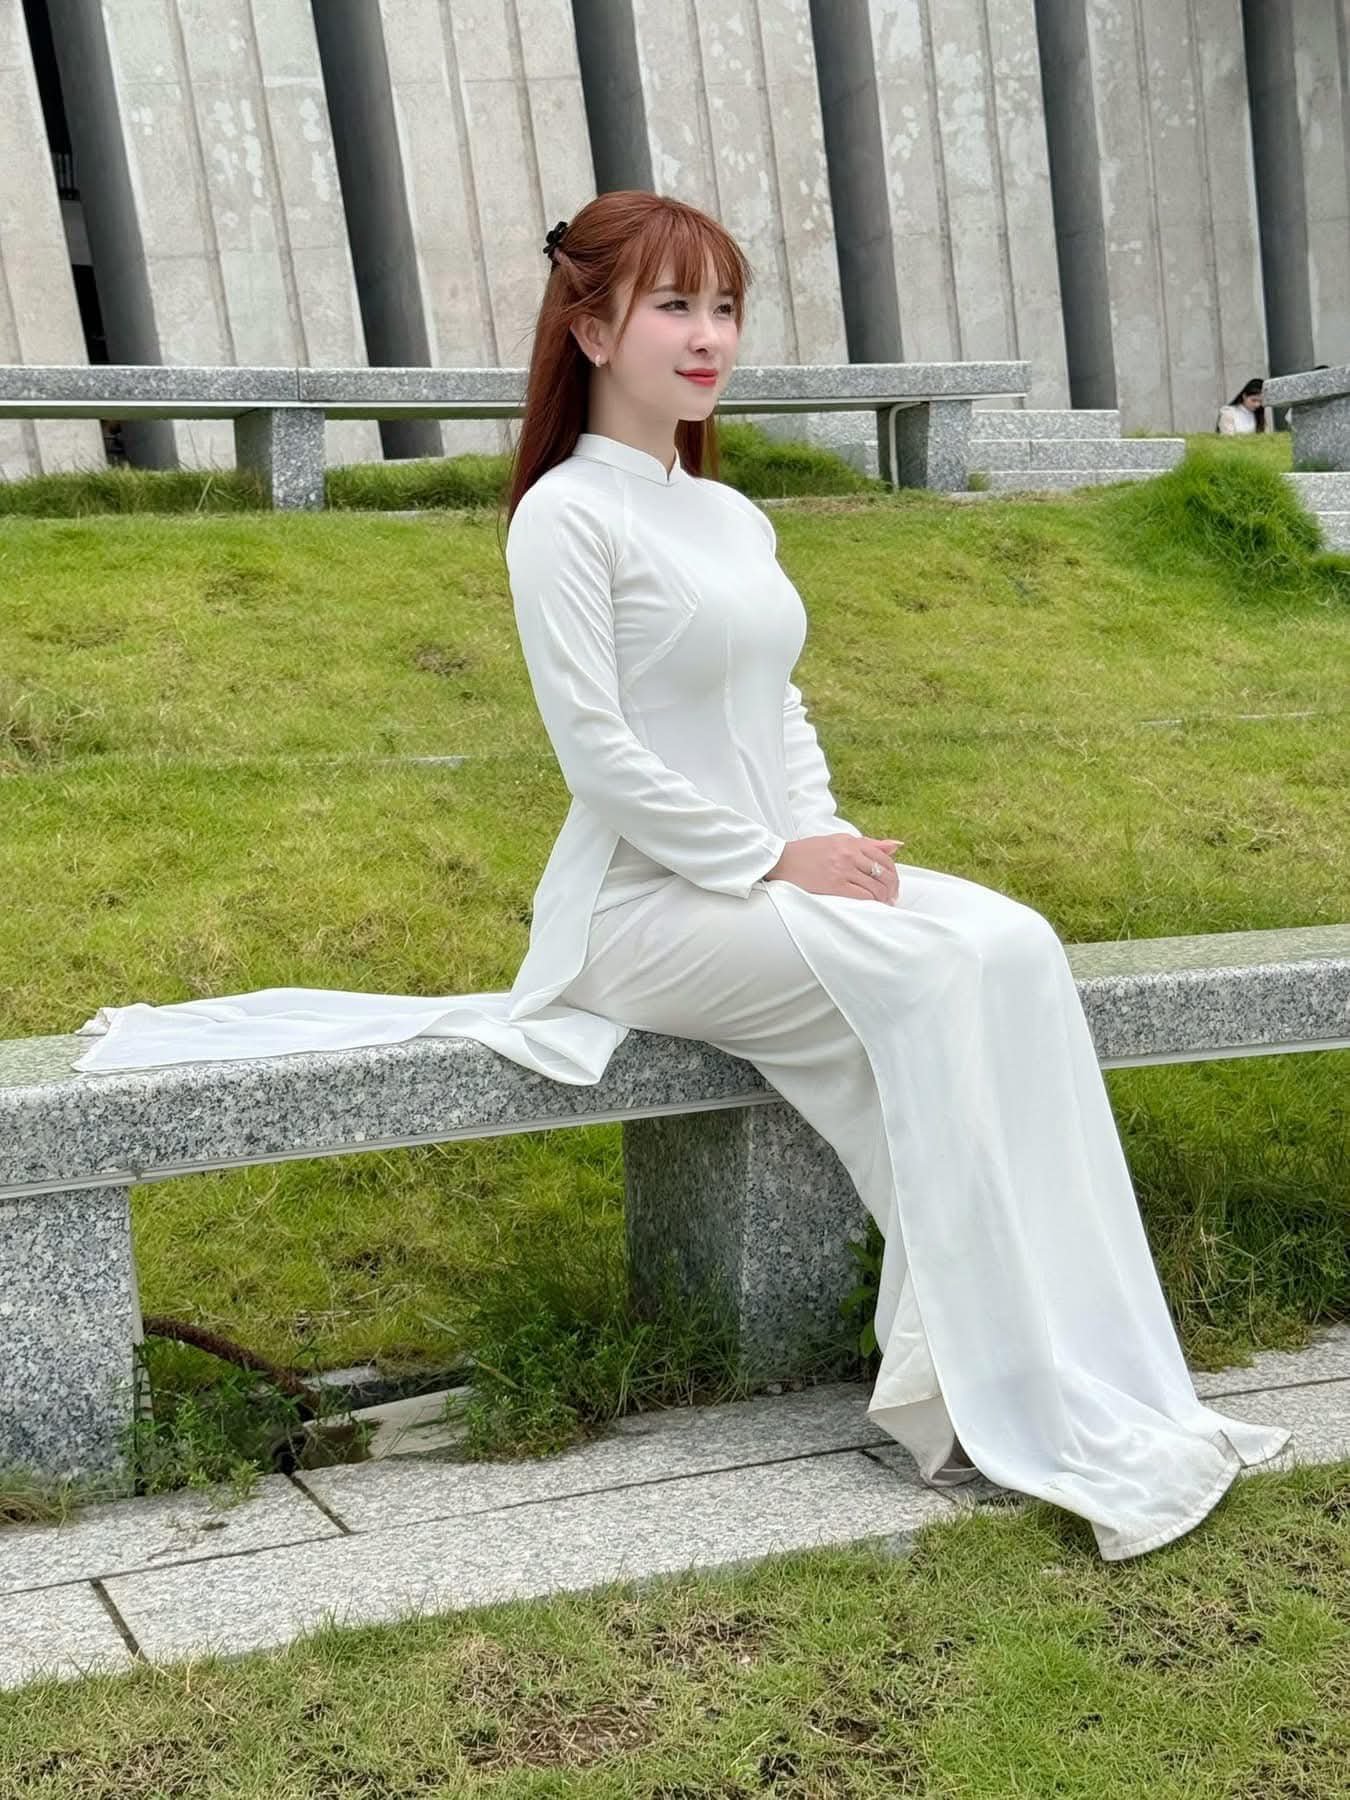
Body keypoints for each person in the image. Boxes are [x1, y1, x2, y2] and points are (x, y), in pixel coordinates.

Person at [73, 192, 1291, 1561]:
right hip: (640, 911)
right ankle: (974, 1384)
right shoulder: (563, 517)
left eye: (724, 307)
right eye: (673, 306)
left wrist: (820, 846)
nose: (708, 337)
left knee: (1013, 943)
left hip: (762, 884)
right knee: (938, 978)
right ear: (591, 330)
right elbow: (596, 754)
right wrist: (769, 859)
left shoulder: (727, 514)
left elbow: (781, 708)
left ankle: (1046, 1366)